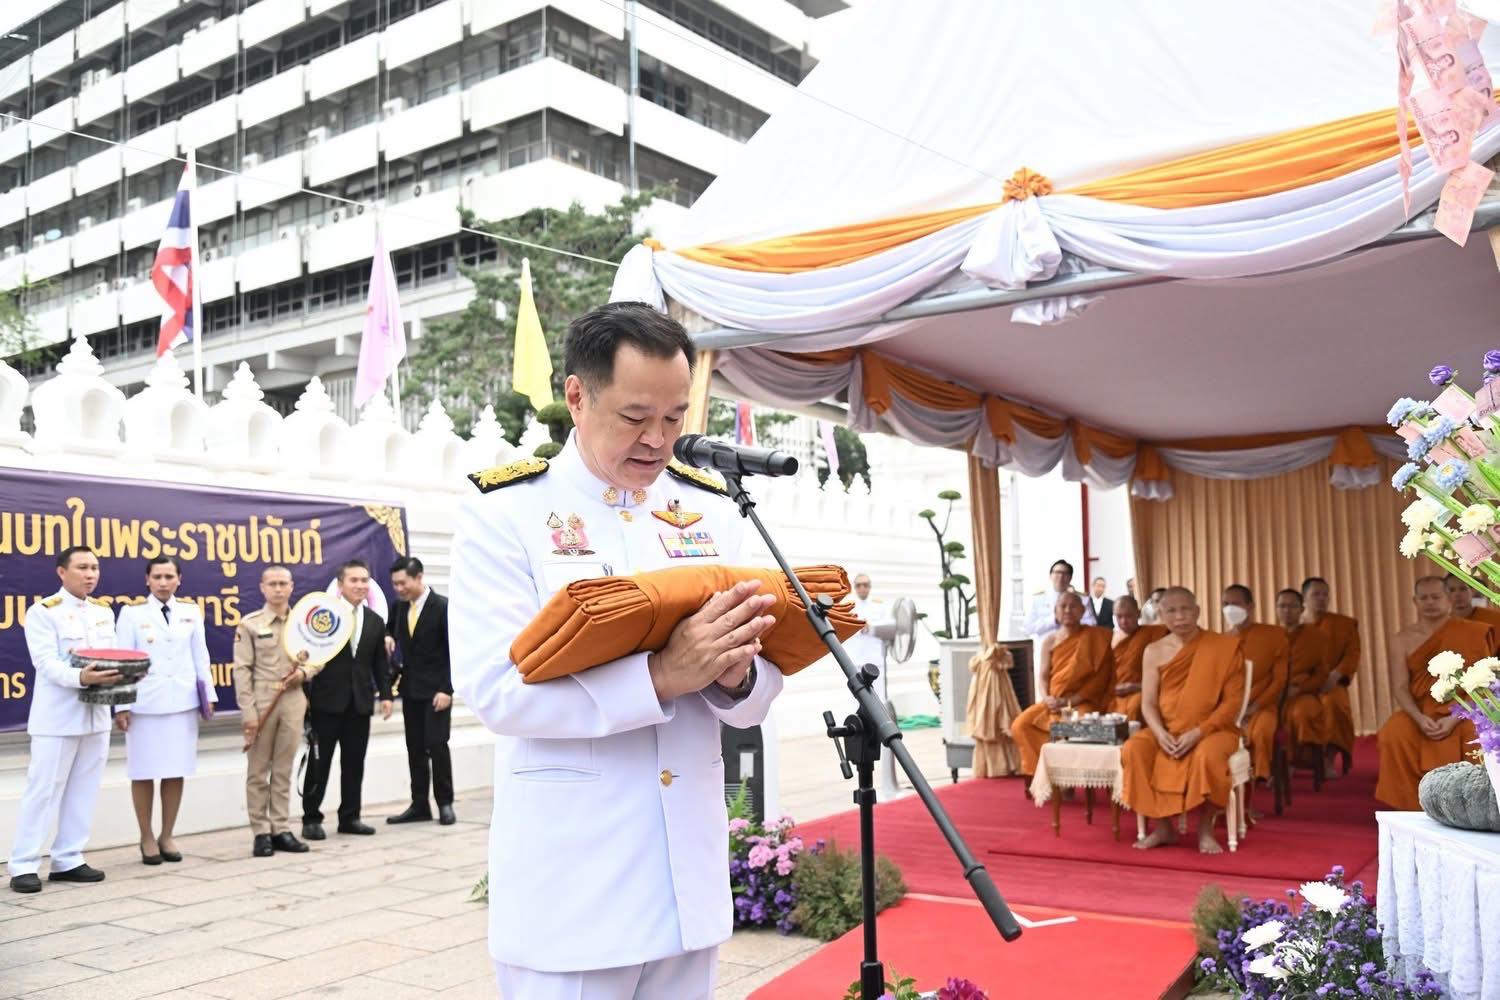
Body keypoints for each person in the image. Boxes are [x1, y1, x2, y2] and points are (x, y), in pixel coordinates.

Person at [449, 302, 785, 998]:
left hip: (685, 880)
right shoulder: (507, 513)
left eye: (675, 417)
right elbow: (497, 692)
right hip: (575, 887)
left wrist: (733, 675)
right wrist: (663, 676)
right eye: (635, 417)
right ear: (577, 396)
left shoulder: (712, 510)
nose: (658, 439)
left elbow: (755, 698)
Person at [8, 547, 122, 894]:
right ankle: (24, 864)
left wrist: (125, 675)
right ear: (62, 572)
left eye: (95, 568)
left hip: (96, 713)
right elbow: (45, 662)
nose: (90, 574)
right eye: (82, 567)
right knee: (43, 790)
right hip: (58, 716)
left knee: (84, 790)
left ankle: (68, 859)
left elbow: (112, 656)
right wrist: (82, 678)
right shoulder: (44, 612)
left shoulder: (103, 613)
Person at [1121, 587, 1245, 855]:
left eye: (1186, 609)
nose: (1180, 617)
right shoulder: (1153, 651)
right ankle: (1163, 826)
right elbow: (1149, 703)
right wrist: (1159, 732)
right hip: (1165, 728)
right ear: (1161, 615)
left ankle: (1206, 828)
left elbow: (1231, 704)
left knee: (1208, 757)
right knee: (1134, 749)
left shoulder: (1223, 647)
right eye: (1172, 611)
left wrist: (1199, 732)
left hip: (1214, 729)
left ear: (1197, 611)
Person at [114, 556, 216, 865]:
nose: (163, 581)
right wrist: (122, 704)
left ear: (178, 579)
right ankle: (146, 836)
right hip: (144, 705)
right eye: (157, 576)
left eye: (169, 576)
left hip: (182, 702)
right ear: (147, 580)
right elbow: (123, 661)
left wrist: (207, 694)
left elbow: (201, 655)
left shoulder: (190, 612)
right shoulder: (132, 614)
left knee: (175, 770)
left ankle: (167, 834)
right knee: (143, 772)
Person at [1375, 577, 1493, 810]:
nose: (1430, 602)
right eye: (1424, 598)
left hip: (1465, 709)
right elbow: (1400, 686)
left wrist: (1454, 718)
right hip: (1421, 711)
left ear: (1448, 599)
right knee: (1393, 732)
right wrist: (1419, 719)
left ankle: (1473, 806)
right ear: (1414, 601)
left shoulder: (1473, 632)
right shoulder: (1403, 639)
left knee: (1476, 733)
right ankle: (1411, 807)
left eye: (1436, 597)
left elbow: (1484, 682)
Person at [301, 560, 393, 840]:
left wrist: (386, 696)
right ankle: (311, 818)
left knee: (354, 764)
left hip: (360, 704)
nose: (360, 586)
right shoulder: (324, 618)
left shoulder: (375, 621)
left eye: (364, 580)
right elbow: (308, 657)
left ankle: (350, 817)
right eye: (354, 580)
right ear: (340, 585)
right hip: (326, 704)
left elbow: (379, 664)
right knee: (320, 763)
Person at [234, 566, 313, 858]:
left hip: (293, 698)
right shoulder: (250, 624)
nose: (278, 589)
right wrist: (248, 713)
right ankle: (260, 832)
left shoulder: (303, 624)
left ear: (292, 587)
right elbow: (242, 671)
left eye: (283, 584)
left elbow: (318, 655)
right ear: (263, 588)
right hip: (262, 698)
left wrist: (304, 673)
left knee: (283, 768)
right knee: (258, 771)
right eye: (273, 584)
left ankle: (280, 827)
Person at [1010, 591, 1114, 776]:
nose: (1067, 610)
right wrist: (1047, 697)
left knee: (1080, 727)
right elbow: (1042, 676)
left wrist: (1071, 701)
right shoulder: (1049, 641)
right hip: (1052, 702)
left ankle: (1069, 777)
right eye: (1062, 606)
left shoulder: (1097, 637)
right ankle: (1042, 776)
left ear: (1082, 611)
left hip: (1080, 701)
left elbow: (1099, 681)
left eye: (1073, 606)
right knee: (1020, 725)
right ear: (1055, 611)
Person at [385, 556, 456, 826]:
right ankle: (419, 804)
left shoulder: (443, 607)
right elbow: (391, 630)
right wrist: (388, 636)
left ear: (419, 577)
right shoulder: (399, 607)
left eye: (403, 583)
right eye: (395, 584)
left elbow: (454, 651)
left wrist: (447, 689)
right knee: (414, 748)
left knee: (437, 746)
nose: (399, 589)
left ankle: (445, 803)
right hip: (411, 690)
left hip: (437, 692)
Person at [1222, 584, 1289, 785]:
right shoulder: (1222, 640)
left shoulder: (1275, 635)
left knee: (1261, 731)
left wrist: (1254, 707)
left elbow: (1279, 680)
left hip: (1262, 705)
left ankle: (1260, 776)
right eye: (1225, 604)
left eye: (1236, 604)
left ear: (1250, 607)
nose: (1230, 608)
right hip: (1231, 707)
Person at [1301, 577, 1361, 776]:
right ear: (1304, 598)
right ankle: (1297, 759)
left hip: (1331, 684)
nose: (1321, 598)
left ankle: (1328, 760)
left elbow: (1352, 654)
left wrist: (1336, 675)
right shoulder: (1295, 625)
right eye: (1315, 594)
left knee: (1333, 705)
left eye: (1325, 594)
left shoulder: (1344, 624)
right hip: (1301, 685)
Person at [1275, 589, 1332, 755]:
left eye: (1292, 606)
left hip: (1302, 693)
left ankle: (1295, 758)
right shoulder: (1269, 636)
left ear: (1301, 609)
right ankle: (1266, 765)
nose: (1287, 610)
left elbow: (1322, 674)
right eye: (1282, 606)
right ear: (1276, 609)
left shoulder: (1316, 637)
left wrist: (1299, 689)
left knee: (1301, 713)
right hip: (1272, 696)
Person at [1108, 594, 1168, 721]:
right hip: (1113, 693)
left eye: (1128, 616)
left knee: (1136, 707)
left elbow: (1167, 672)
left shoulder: (1156, 634)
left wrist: (1136, 686)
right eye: (1119, 616)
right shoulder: (1109, 639)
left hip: (1141, 690)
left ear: (1138, 613)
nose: (1123, 621)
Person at [1023, 559, 1095, 639]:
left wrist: (1072, 620)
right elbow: (1028, 628)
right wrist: (1054, 620)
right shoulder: (1038, 599)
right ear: (1050, 576)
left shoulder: (1082, 599)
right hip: (1047, 645)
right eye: (1057, 572)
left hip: (1074, 644)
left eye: (1065, 573)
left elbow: (1091, 624)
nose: (1060, 576)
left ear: (1070, 577)